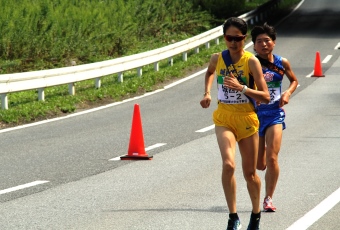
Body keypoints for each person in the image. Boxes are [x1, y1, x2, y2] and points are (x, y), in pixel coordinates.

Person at [200, 17, 270, 230]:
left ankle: (256, 215)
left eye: (238, 38)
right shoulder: (216, 58)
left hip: (247, 119)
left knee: (250, 174)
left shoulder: (251, 61)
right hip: (224, 117)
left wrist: (242, 89)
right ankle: (233, 217)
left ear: (244, 38)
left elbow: (265, 96)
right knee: (229, 164)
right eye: (229, 38)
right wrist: (207, 93)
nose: (233, 42)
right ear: (224, 38)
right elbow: (210, 72)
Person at [251, 23, 298, 212]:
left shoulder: (282, 62)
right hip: (254, 116)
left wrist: (287, 93)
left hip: (274, 114)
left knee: (272, 158)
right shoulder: (250, 63)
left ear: (274, 42)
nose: (263, 44)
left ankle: (268, 198)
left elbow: (294, 80)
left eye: (267, 40)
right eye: (259, 41)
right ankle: (261, 147)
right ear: (254, 45)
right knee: (259, 164)